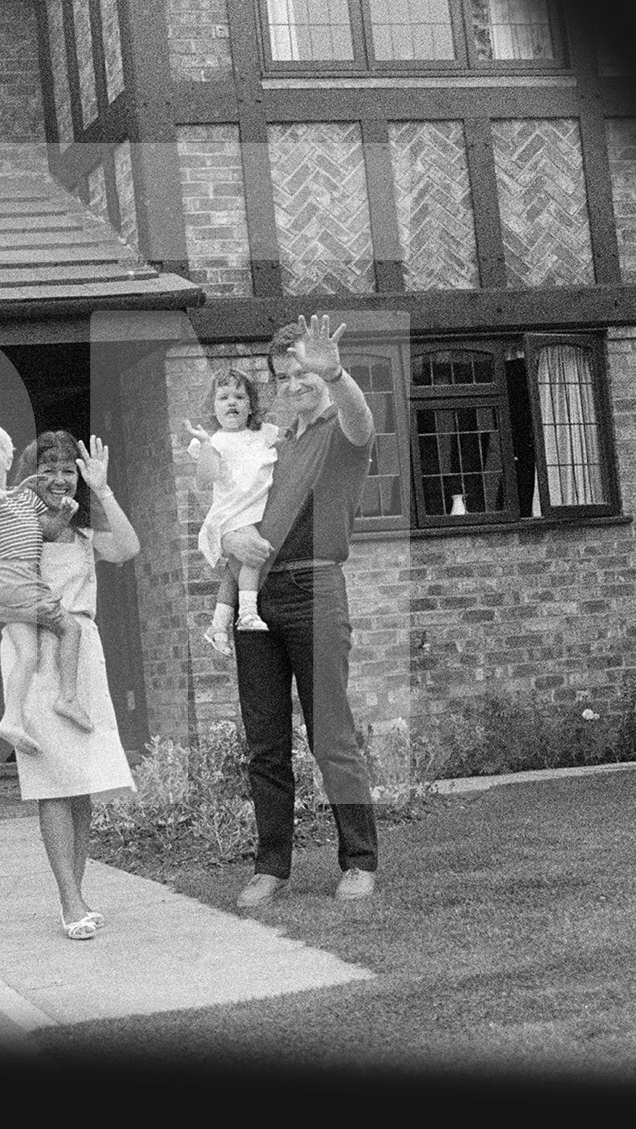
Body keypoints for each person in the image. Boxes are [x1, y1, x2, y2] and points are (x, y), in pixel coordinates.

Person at [220, 314, 380, 909]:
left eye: (306, 372)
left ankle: (359, 861)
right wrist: (228, 545)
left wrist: (338, 374)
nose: (297, 383)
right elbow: (232, 514)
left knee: (331, 737)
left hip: (316, 593)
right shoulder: (271, 448)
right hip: (256, 599)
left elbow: (362, 419)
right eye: (286, 375)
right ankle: (271, 868)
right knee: (265, 743)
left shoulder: (341, 432)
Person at [0, 431, 138, 941]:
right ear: (32, 478)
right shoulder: (12, 533)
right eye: (51, 469)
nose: (61, 479)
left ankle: (77, 894)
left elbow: (128, 547)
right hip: (35, 655)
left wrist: (103, 490)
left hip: (83, 653)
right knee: (53, 783)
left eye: (69, 470)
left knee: (80, 783)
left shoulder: (83, 536)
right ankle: (69, 903)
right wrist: (35, 613)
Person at [0, 422, 91, 757]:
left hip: (14, 588)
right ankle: (68, 697)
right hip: (16, 584)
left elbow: (46, 531)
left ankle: (11, 720)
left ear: (8, 459)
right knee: (69, 628)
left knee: (28, 655)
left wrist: (64, 512)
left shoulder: (27, 498)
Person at [182, 367, 283, 654]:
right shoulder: (213, 441)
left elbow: (295, 444)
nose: (232, 402)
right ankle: (248, 612)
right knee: (253, 550)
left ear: (251, 405)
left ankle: (217, 626)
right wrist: (205, 446)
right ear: (213, 408)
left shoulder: (266, 434)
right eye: (223, 397)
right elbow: (206, 476)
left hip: (254, 510)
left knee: (233, 570)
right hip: (231, 513)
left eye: (239, 396)